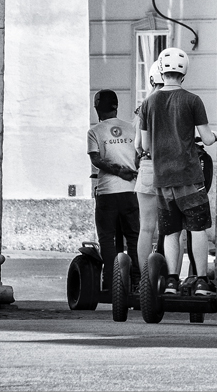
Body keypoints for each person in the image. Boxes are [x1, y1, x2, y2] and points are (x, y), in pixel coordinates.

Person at [138, 47, 217, 296]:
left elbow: (144, 145)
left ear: (162, 70)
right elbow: (206, 139)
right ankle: (200, 281)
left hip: (163, 179)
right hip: (189, 177)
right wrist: (214, 136)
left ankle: (172, 281)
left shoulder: (148, 102)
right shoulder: (192, 100)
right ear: (183, 73)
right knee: (197, 228)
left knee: (170, 231)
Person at [88, 89, 139, 293]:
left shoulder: (94, 132)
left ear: (97, 109)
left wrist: (116, 170)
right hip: (131, 191)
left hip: (107, 193)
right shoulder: (131, 129)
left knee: (107, 239)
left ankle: (110, 282)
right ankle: (137, 281)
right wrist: (128, 171)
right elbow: (139, 156)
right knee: (134, 237)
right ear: (116, 106)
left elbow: (96, 159)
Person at [133, 61, 164, 262]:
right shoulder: (177, 101)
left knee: (146, 227)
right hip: (170, 167)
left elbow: (138, 145)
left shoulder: (144, 106)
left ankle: (146, 277)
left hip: (147, 165)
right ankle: (170, 278)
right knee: (171, 230)